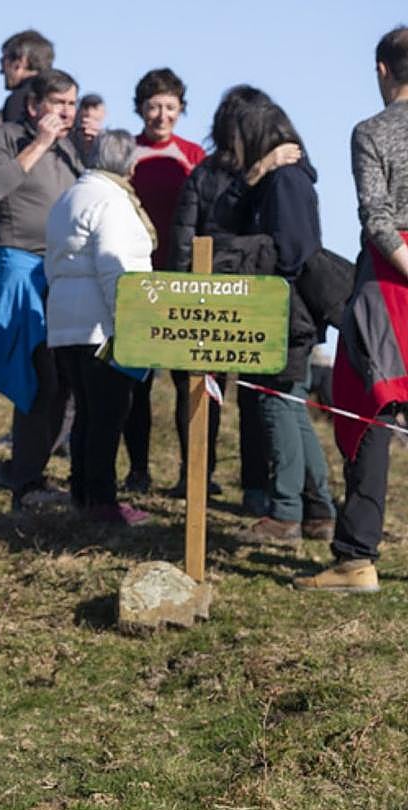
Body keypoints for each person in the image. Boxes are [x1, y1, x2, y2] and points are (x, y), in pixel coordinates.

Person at [298, 26, 408, 592]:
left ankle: (357, 559)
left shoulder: (372, 131)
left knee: (369, 413)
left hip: (391, 283)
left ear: (382, 71)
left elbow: (378, 217)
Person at [169, 85, 300, 516]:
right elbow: (191, 241)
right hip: (208, 298)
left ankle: (255, 487)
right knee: (201, 392)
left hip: (255, 300)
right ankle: (196, 478)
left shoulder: (278, 173)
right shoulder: (207, 176)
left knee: (253, 396)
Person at [0, 69, 83, 509]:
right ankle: (25, 481)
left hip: (63, 270)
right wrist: (39, 143)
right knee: (36, 374)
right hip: (21, 264)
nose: (66, 113)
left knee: (60, 378)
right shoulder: (5, 136)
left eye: (72, 104)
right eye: (59, 104)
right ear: (35, 106)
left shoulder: (72, 149)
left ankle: (28, 472)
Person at [230, 94, 336, 547]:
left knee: (277, 403)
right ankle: (318, 509)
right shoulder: (272, 179)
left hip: (284, 311)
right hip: (283, 308)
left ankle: (286, 514)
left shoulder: (287, 182)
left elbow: (293, 250)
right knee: (289, 403)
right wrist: (256, 173)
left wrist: (255, 256)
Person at [45, 130, 154, 525]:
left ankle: (82, 494)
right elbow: (116, 267)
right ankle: (103, 501)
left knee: (87, 414)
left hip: (66, 324)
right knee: (108, 416)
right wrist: (129, 324)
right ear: (130, 165)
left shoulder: (70, 195)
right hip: (101, 325)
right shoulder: (113, 202)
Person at [120, 68, 207, 495]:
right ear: (140, 108)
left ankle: (194, 474)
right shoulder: (126, 153)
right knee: (137, 378)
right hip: (137, 275)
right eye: (153, 106)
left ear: (181, 110)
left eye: (170, 107)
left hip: (182, 275)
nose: (161, 115)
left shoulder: (193, 154)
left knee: (185, 377)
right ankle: (138, 470)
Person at [0, 30, 54, 124]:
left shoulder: (19, 100)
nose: (1, 71)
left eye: (3, 61)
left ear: (21, 61)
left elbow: (12, 137)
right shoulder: (63, 96)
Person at [71, 93, 106, 164]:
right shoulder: (67, 137)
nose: (89, 113)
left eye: (95, 108)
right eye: (85, 108)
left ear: (104, 113)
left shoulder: (109, 141)